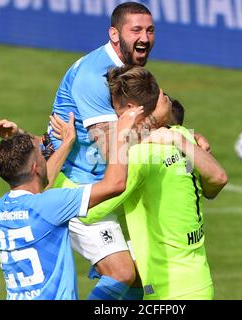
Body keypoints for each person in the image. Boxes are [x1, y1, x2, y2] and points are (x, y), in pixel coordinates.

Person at [43, 2, 172, 300]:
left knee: (147, 274)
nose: (145, 37)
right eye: (136, 30)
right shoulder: (93, 77)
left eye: (150, 30)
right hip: (80, 186)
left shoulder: (129, 71)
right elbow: (110, 151)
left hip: (114, 186)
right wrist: (157, 121)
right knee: (122, 273)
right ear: (114, 34)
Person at [78, 88, 228, 299]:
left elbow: (90, 211)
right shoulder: (184, 138)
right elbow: (219, 178)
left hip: (168, 289)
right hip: (199, 280)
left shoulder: (141, 157)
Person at [0, 107, 143, 300]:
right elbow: (115, 184)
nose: (46, 156)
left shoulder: (0, 209)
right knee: (124, 273)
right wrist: (120, 134)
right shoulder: (50, 205)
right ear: (36, 167)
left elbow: (43, 183)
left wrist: (22, 137)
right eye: (42, 155)